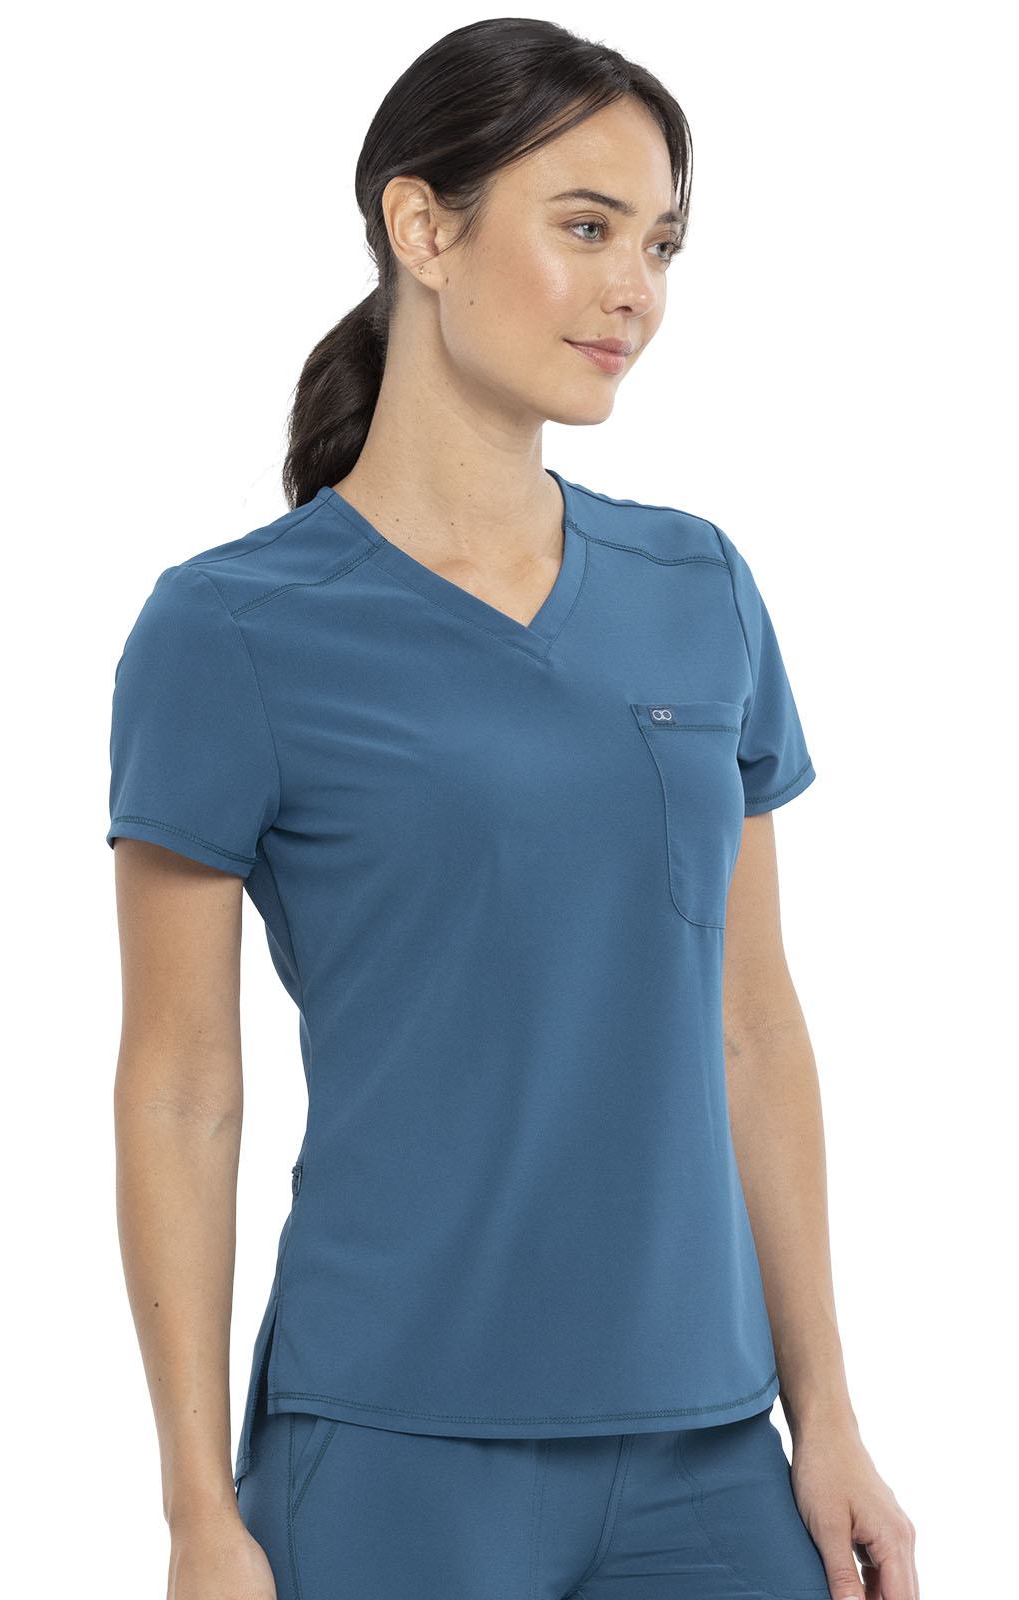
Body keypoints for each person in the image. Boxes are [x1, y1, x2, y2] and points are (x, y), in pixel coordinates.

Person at [107, 18, 919, 1600]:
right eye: (587, 227)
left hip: (709, 1442)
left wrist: (826, 1415)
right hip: (391, 1440)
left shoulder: (700, 587)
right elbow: (182, 1087)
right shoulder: (228, 631)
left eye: (661, 245)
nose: (637, 292)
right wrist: (198, 1510)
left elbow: (755, 1028)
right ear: (423, 229)